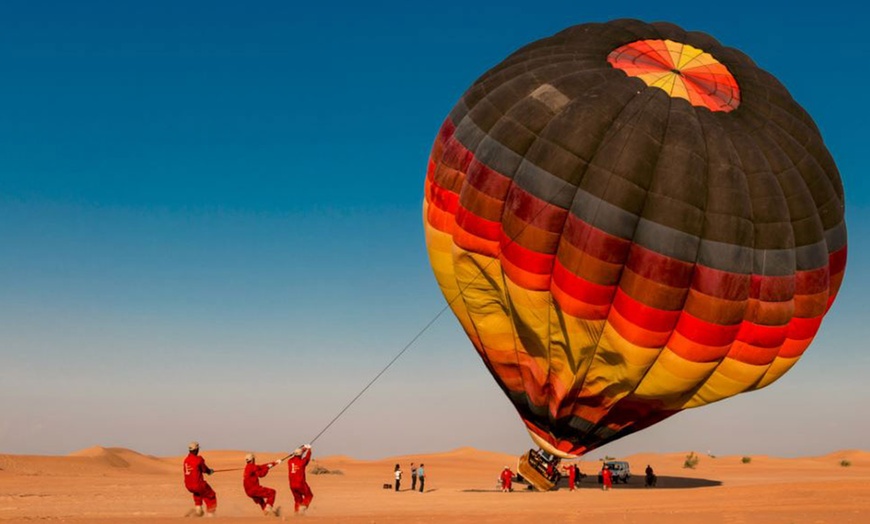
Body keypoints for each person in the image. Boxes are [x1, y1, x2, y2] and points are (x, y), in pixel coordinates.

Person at [183, 441, 217, 518]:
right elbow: (205, 469)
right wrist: (209, 471)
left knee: (197, 493)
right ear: (196, 450)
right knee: (210, 495)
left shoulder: (186, 460)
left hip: (189, 485)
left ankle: (198, 510)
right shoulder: (198, 459)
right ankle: (211, 515)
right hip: (198, 484)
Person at [287, 444, 313, 514]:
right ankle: (303, 506)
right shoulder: (302, 462)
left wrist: (304, 449)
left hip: (292, 485)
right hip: (301, 483)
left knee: (297, 500)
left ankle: (297, 513)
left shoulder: (290, 461)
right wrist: (309, 450)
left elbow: (296, 455)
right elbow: (307, 458)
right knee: (309, 495)